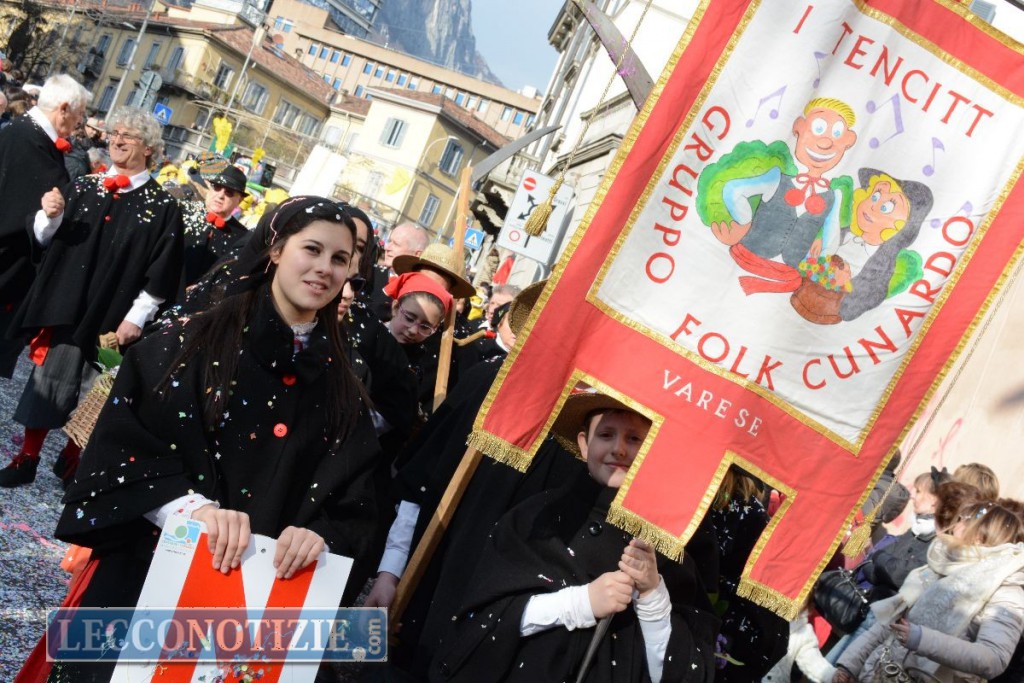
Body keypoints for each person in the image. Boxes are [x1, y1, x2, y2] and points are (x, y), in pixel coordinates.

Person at [37, 197, 380, 682]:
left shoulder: (344, 382)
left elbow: (358, 502)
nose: (325, 268)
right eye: (312, 249)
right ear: (276, 249)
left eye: (340, 259)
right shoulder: (189, 343)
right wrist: (191, 509)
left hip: (252, 622)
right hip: (144, 590)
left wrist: (321, 535)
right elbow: (122, 450)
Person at [428, 388, 719, 682]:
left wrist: (652, 595)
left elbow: (681, 674)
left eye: (634, 439)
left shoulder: (671, 549)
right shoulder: (534, 519)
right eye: (606, 435)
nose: (619, 449)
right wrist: (581, 603)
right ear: (584, 443)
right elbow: (481, 626)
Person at [0, 106, 183, 488]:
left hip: (115, 317)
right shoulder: (85, 186)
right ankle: (27, 458)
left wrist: (137, 316)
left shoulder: (163, 208)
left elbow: (162, 271)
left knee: (95, 393)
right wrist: (49, 216)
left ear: (148, 148)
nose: (117, 140)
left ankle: (72, 459)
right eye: (114, 133)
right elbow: (45, 241)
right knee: (49, 382)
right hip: (67, 305)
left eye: (128, 135)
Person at [834, 502, 1024, 683]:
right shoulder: (945, 564)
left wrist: (921, 639)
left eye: (963, 519)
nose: (956, 524)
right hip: (877, 673)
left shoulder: (1007, 588)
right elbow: (891, 622)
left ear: (979, 535)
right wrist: (849, 666)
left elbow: (994, 658)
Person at [0, 74, 90, 378]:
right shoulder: (31, 142)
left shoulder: (24, 131)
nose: (80, 122)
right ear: (63, 109)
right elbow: (22, 216)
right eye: (79, 114)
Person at [713, 98, 857, 269]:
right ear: (799, 128)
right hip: (746, 258)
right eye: (818, 128)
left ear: (848, 142)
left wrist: (821, 260)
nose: (825, 143)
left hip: (788, 273)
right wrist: (744, 221)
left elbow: (832, 236)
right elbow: (734, 189)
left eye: (837, 133)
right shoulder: (776, 178)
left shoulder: (834, 197)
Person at [179, 165, 249, 287]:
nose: (220, 195)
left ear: (240, 200)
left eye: (229, 192)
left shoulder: (242, 237)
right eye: (217, 187)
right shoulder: (181, 211)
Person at [364, 222, 429, 320]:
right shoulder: (368, 273)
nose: (387, 247)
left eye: (396, 244)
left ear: (417, 255)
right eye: (389, 241)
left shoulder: (422, 293)